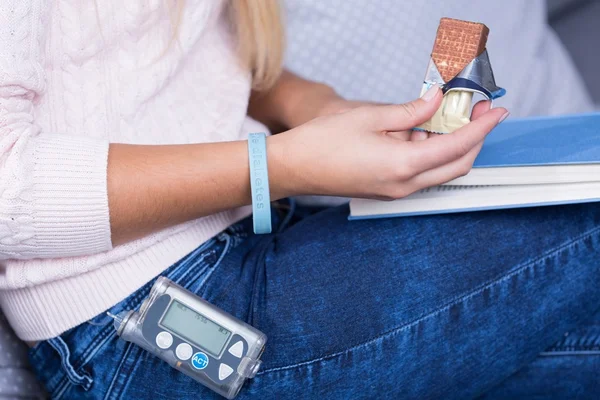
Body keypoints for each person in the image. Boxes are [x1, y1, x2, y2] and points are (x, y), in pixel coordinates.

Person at [0, 1, 598, 399]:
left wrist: (313, 107)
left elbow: (169, 49)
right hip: (138, 315)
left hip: (257, 230)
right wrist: (281, 163)